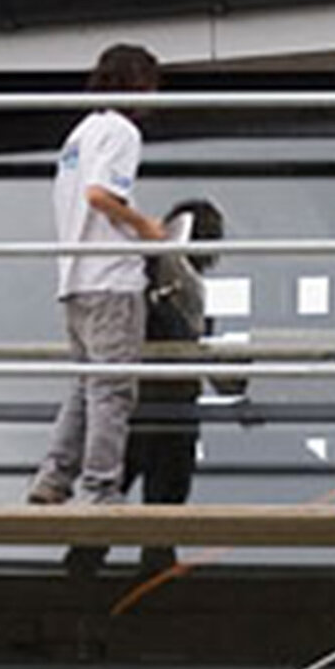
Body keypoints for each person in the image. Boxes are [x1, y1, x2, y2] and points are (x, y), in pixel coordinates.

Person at [29, 42, 173, 506]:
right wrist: (147, 228)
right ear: (137, 83)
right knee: (111, 390)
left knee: (84, 385)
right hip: (111, 279)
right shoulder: (121, 132)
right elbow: (100, 195)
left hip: (75, 279)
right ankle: (100, 487)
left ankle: (53, 478)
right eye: (151, 86)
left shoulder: (79, 133)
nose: (153, 98)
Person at [125, 197, 230, 513]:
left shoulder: (191, 291)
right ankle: (86, 559)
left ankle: (86, 559)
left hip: (165, 407)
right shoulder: (150, 277)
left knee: (159, 509)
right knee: (150, 508)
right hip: (151, 405)